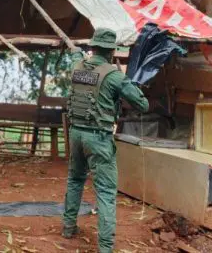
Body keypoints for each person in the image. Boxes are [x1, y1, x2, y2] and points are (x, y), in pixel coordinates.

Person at [61, 28, 149, 253]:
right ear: (111, 51)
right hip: (98, 138)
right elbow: (143, 104)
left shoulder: (76, 68)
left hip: (76, 135)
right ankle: (106, 247)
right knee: (106, 191)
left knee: (75, 180)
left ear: (93, 47)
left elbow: (75, 57)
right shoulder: (114, 76)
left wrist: (77, 53)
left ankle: (68, 228)